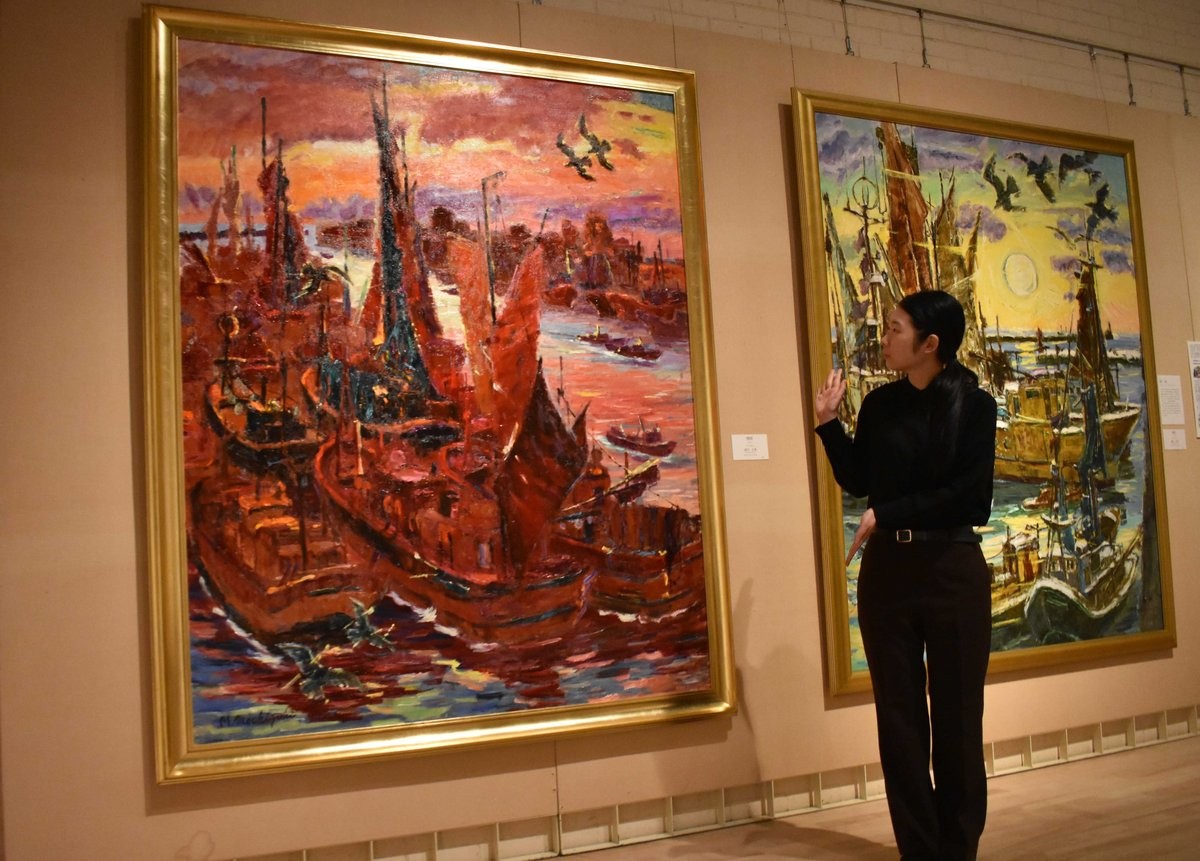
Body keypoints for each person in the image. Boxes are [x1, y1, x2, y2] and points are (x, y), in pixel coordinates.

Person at [813, 290, 997, 861]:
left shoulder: (974, 405)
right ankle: (918, 850)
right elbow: (859, 480)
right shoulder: (880, 404)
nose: (885, 337)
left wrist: (889, 513)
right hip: (888, 574)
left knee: (958, 718)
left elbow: (972, 500)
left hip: (952, 570)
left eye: (895, 329)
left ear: (930, 343)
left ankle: (957, 850)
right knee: (899, 721)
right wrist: (828, 425)